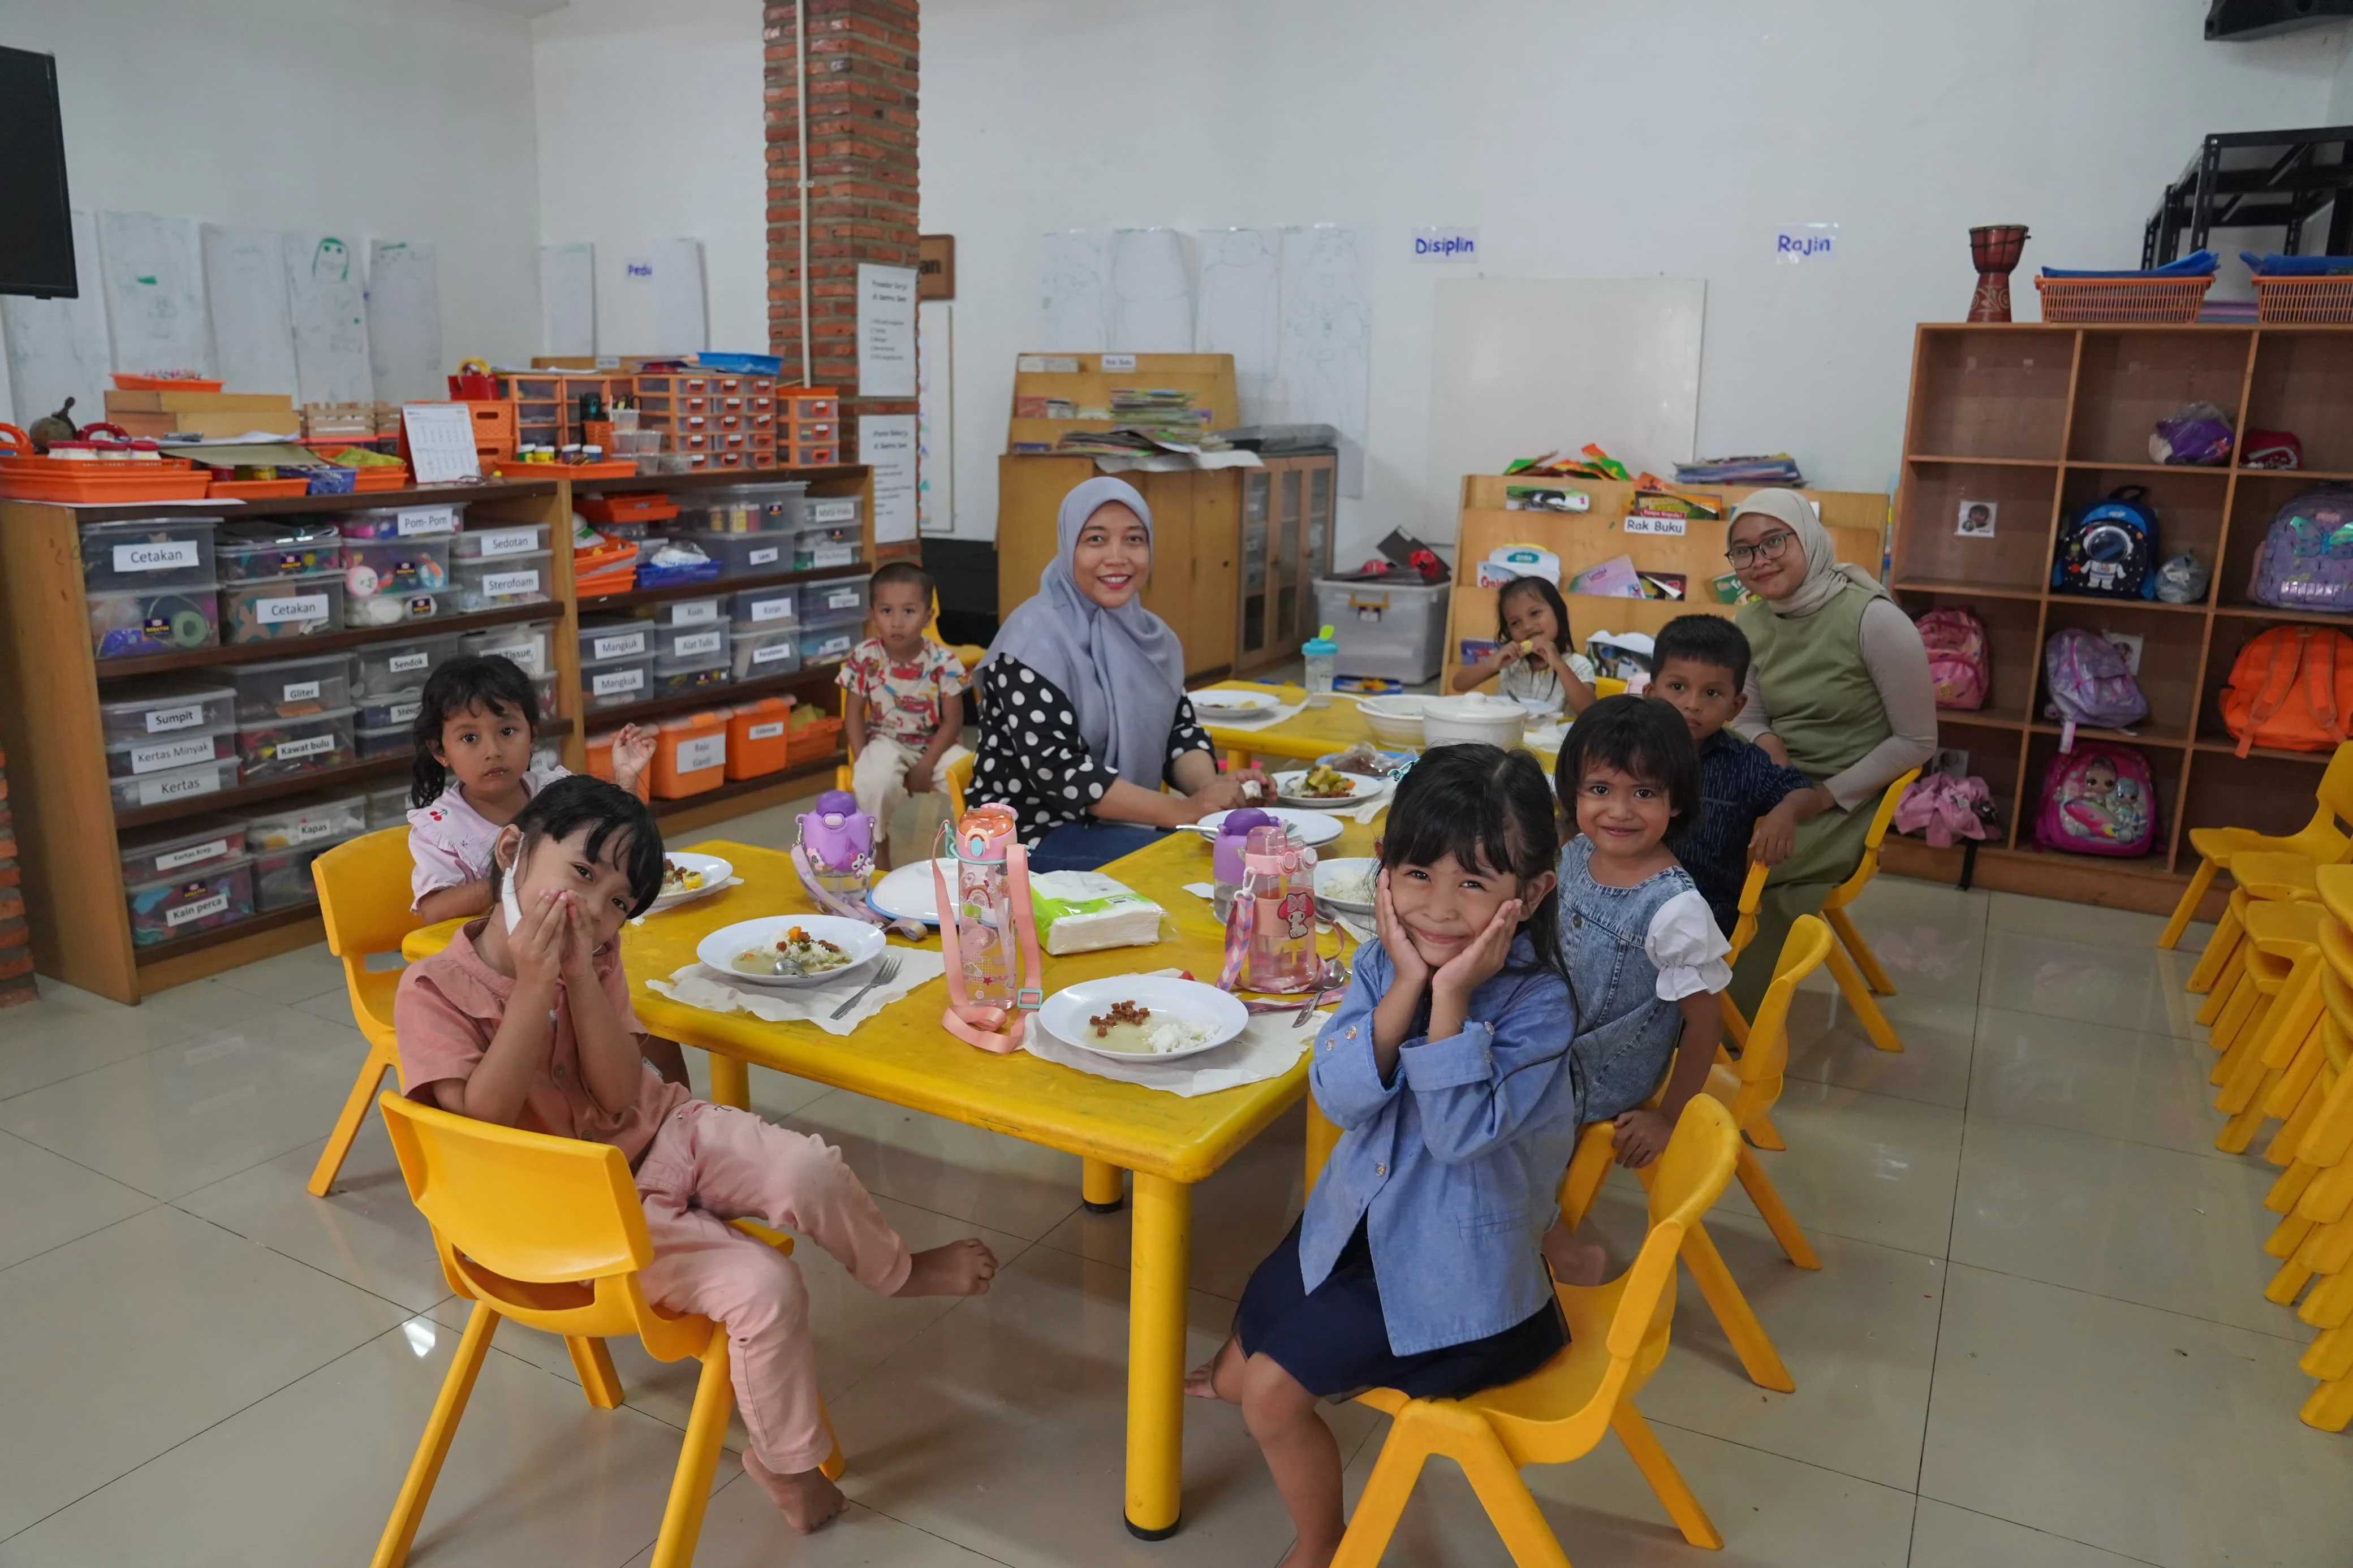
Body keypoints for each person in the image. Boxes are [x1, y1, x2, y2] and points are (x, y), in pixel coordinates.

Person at [392, 776, 1000, 1536]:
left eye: (619, 902)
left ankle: (896, 1269)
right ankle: (785, 1460)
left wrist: (579, 978)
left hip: (662, 1133)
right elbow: (481, 1115)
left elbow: (620, 1096)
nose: (595, 909)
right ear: (513, 849)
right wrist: (532, 989)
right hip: (582, 1222)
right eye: (583, 874)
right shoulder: (432, 990)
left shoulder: (599, 956)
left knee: (807, 1167)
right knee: (766, 1287)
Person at [1185, 745, 1577, 1568]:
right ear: (1383, 873)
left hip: (1458, 1281)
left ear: (1531, 892)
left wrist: (1452, 1000)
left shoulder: (1540, 1006)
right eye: (1417, 875)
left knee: (1269, 1394)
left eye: (1473, 883)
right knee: (1262, 1301)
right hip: (1367, 1225)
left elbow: (1455, 1136)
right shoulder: (1378, 962)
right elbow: (1339, 1097)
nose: (1438, 910)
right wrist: (1405, 988)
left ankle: (1324, 1543)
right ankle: (1242, 1364)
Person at [405, 656, 683, 1085]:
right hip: (494, 970)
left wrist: (625, 782)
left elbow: (609, 847)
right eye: (469, 738)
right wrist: (518, 874)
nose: (492, 749)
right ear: (441, 751)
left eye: (508, 731)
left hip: (572, 951)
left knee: (654, 1018)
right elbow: (434, 912)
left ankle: (665, 1108)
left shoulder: (553, 790)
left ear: (533, 734)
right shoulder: (439, 827)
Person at [971, 477, 1265, 871]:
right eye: (1095, 539)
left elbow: (1178, 732)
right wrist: (1186, 809)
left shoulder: (1151, 637)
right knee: (1189, 864)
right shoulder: (1029, 643)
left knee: (1244, 846)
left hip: (1120, 824)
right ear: (1067, 546)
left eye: (1134, 539)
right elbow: (1062, 773)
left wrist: (1213, 793)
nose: (1117, 557)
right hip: (1025, 837)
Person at [1542, 696, 1730, 1286]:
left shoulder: (1675, 908)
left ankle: (1553, 1243)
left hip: (1602, 1067)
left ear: (1675, 802)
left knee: (1487, 1120)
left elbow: (1705, 1025)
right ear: (1572, 791)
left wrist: (1668, 1119)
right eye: (1599, 788)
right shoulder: (1575, 851)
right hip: (1555, 1030)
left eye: (1643, 793)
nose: (1618, 810)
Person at [1724, 489, 1935, 1012]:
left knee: (1737, 861)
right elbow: (1749, 714)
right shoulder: (1748, 623)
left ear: (1810, 539)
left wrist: (1813, 798)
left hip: (1843, 796)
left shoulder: (1874, 620)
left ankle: (1723, 1017)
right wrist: (1768, 743)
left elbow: (1917, 741)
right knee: (1674, 834)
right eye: (1744, 550)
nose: (1761, 559)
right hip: (1770, 779)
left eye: (1775, 540)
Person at [1648, 614, 1835, 940]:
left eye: (1712, 694)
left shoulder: (1745, 764)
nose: (1692, 705)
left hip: (1705, 914)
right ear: (1652, 693)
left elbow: (1805, 792)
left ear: (1736, 707)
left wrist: (1785, 812)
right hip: (1624, 897)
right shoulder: (1628, 750)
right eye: (1677, 687)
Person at [838, 561, 972, 870]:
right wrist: (862, 760)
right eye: (887, 612)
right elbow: (854, 714)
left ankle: (976, 854)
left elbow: (953, 720)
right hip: (885, 742)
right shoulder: (865, 657)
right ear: (873, 615)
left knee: (974, 776)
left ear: (928, 617)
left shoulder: (944, 661)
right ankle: (879, 851)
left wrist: (926, 765)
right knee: (873, 781)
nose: (897, 622)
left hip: (936, 745)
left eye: (908, 612)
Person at [1450, 573, 1600, 716]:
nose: (1527, 627)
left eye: (1534, 613)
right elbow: (1459, 684)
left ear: (1557, 612)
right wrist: (1492, 663)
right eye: (1515, 623)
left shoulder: (1579, 664)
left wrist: (1559, 665)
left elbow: (1588, 711)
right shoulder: (1511, 662)